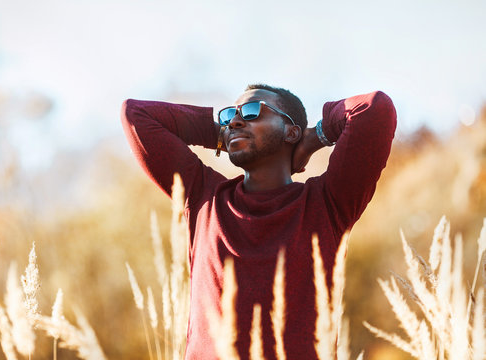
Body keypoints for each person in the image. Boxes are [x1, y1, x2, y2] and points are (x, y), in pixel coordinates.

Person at [121, 84, 397, 359]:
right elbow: (136, 114)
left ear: (291, 131)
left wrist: (316, 137)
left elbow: (374, 109)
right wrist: (224, 133)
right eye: (229, 116)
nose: (236, 120)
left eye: (253, 112)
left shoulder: (328, 204)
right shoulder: (203, 197)